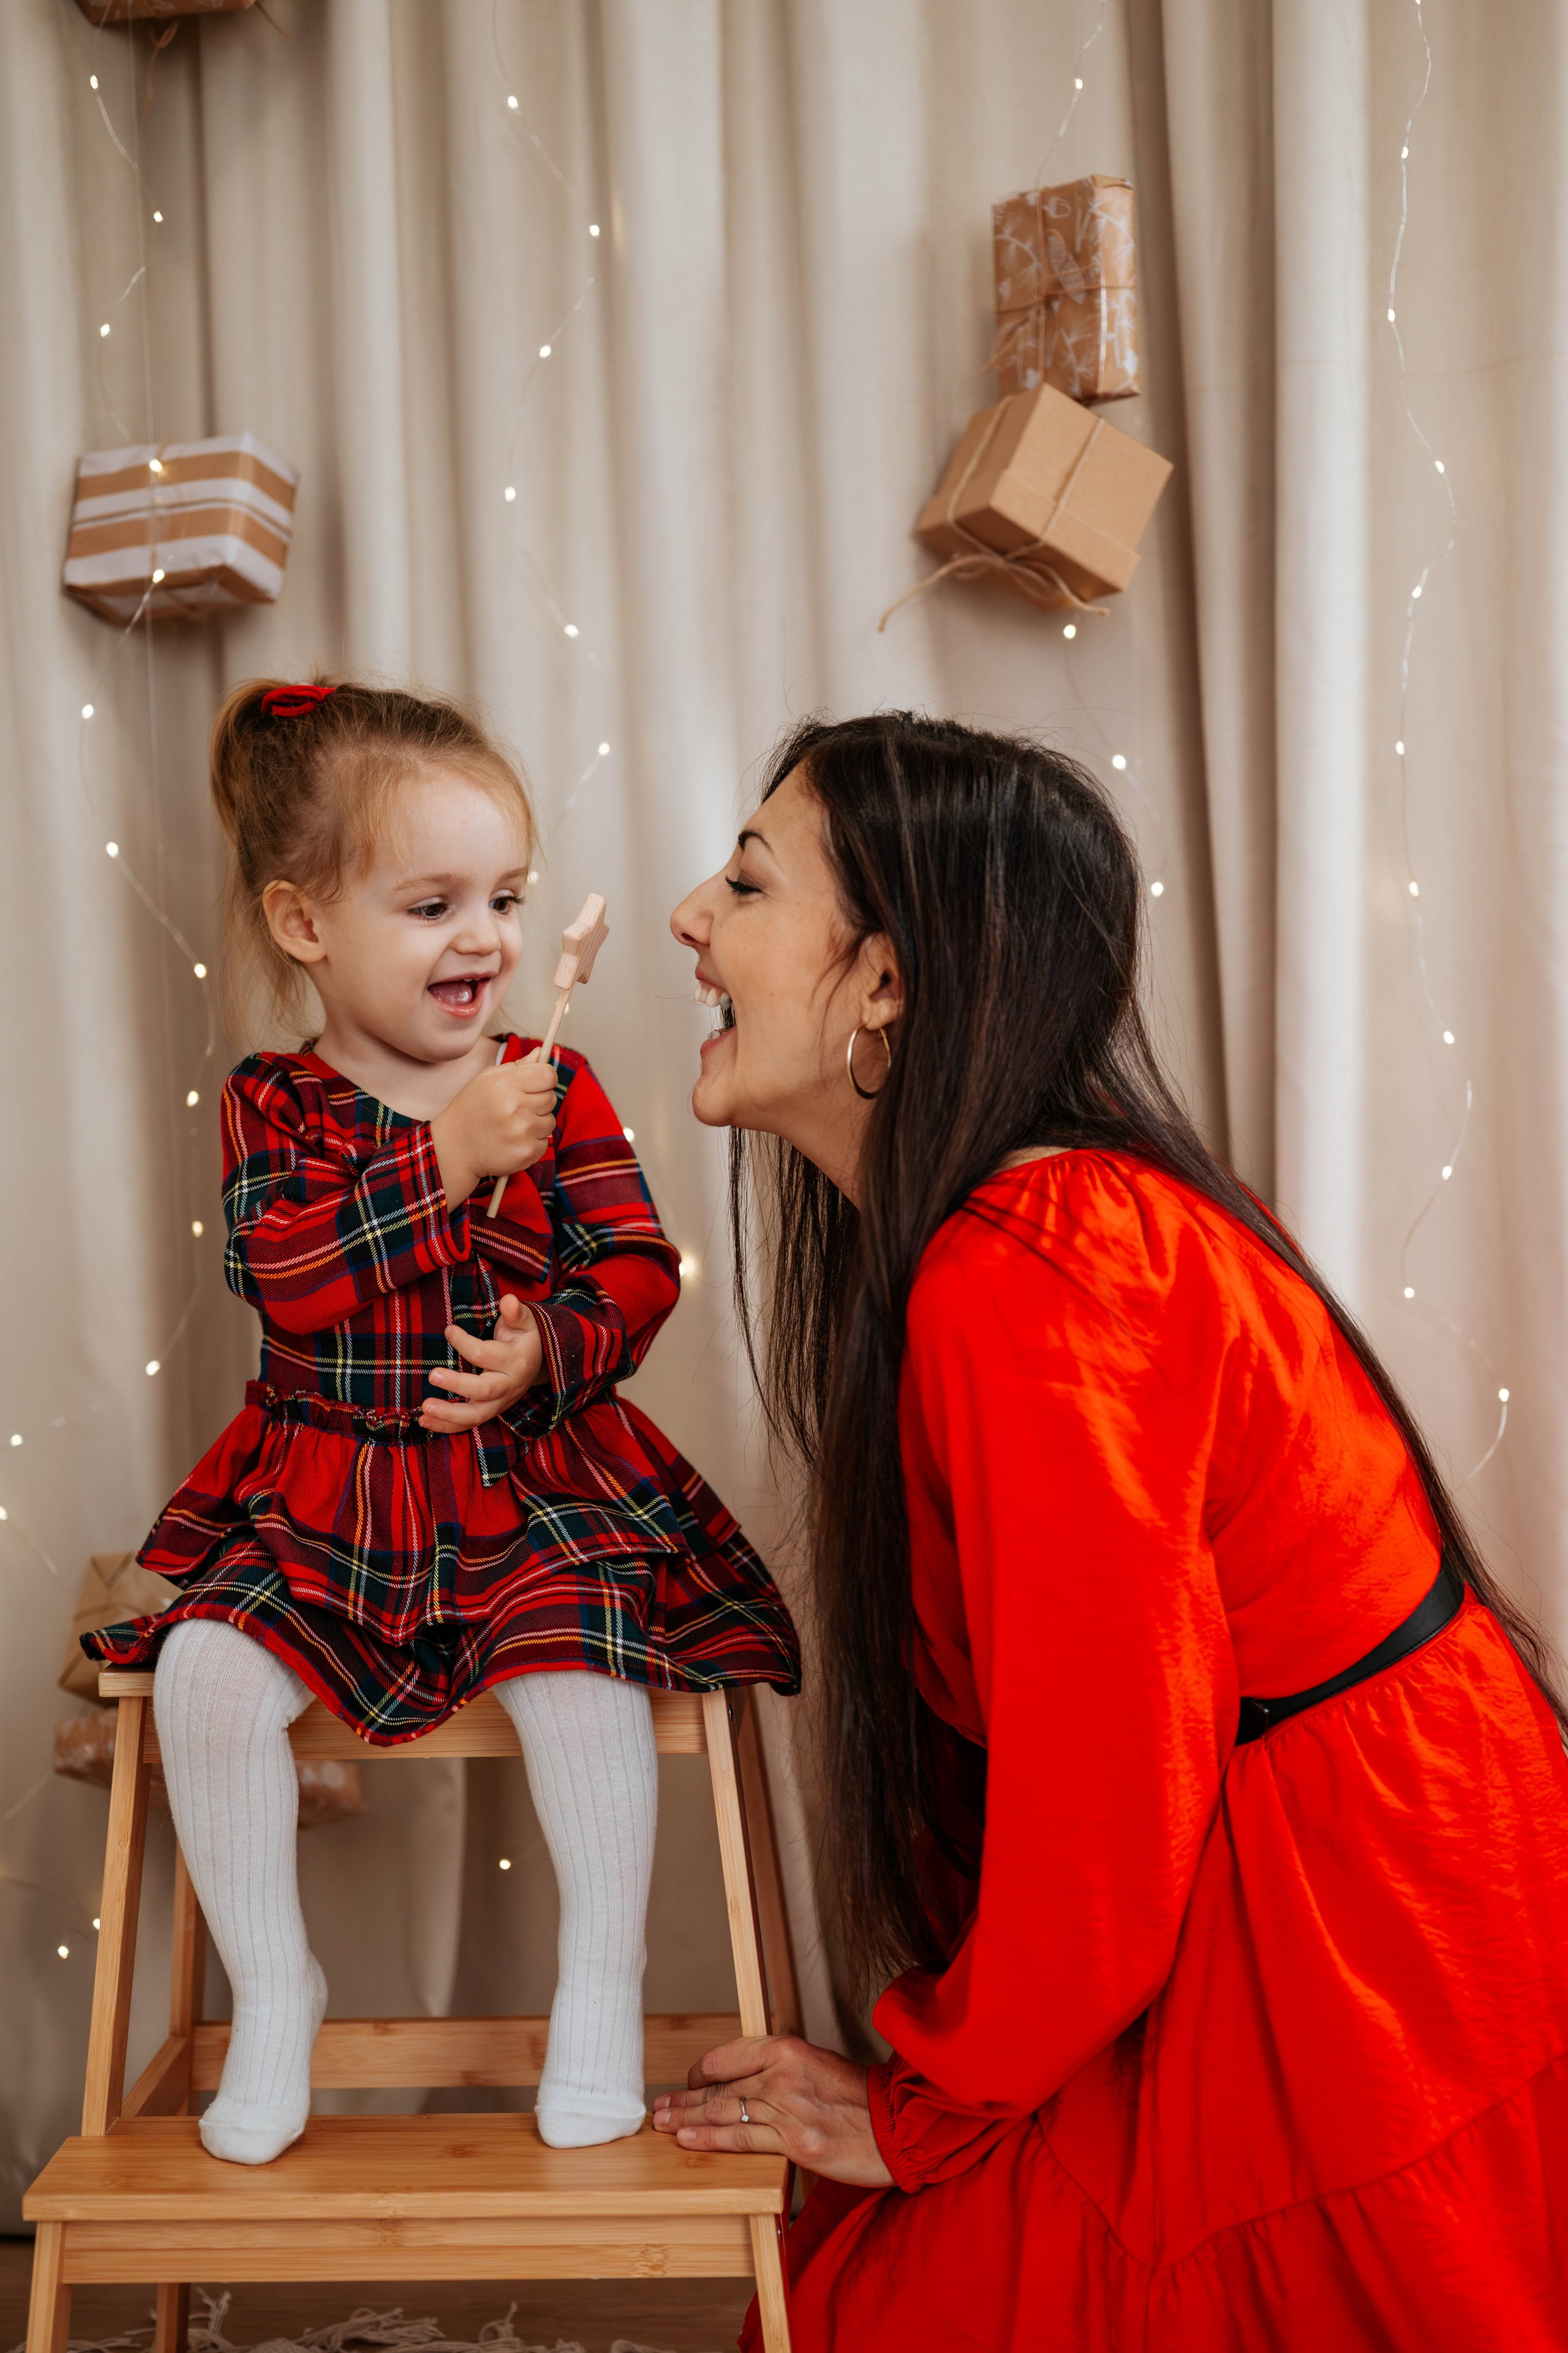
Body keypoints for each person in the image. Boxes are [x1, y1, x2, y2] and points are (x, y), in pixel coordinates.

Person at [657, 712, 1568, 2351]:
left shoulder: (1037, 1268)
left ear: (886, 981)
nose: (689, 918)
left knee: (873, 2310)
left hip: (1347, 1934)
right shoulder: (1020, 1236)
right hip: (1307, 1874)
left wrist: (927, 2109)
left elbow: (1102, 1799)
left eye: (746, 881)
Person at [88, 678, 798, 2167]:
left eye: (506, 897)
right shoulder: (274, 1100)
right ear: (303, 924)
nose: (484, 936)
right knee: (206, 1678)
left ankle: (595, 1987)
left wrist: (552, 1347)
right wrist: (444, 1159)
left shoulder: (556, 1081)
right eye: (431, 905)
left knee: (583, 1674)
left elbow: (631, 1264)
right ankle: (274, 1988)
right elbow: (282, 1274)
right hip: (327, 1494)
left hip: (524, 1484)